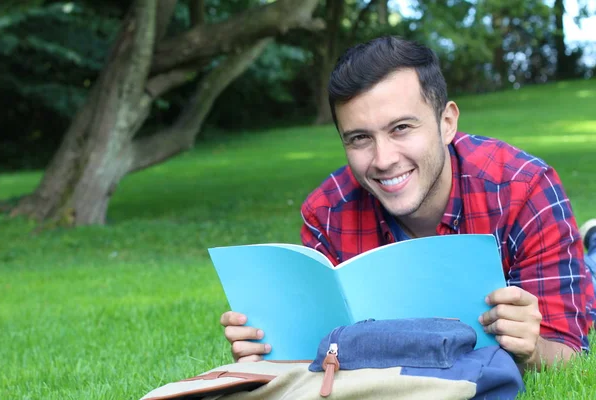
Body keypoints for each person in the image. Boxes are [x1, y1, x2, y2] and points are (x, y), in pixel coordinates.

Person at [220, 36, 594, 372]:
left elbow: (570, 353)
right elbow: (318, 355)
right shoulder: (327, 212)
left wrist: (532, 350)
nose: (383, 159)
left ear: (447, 122)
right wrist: (267, 351)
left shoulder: (524, 189)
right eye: (360, 138)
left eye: (401, 128)